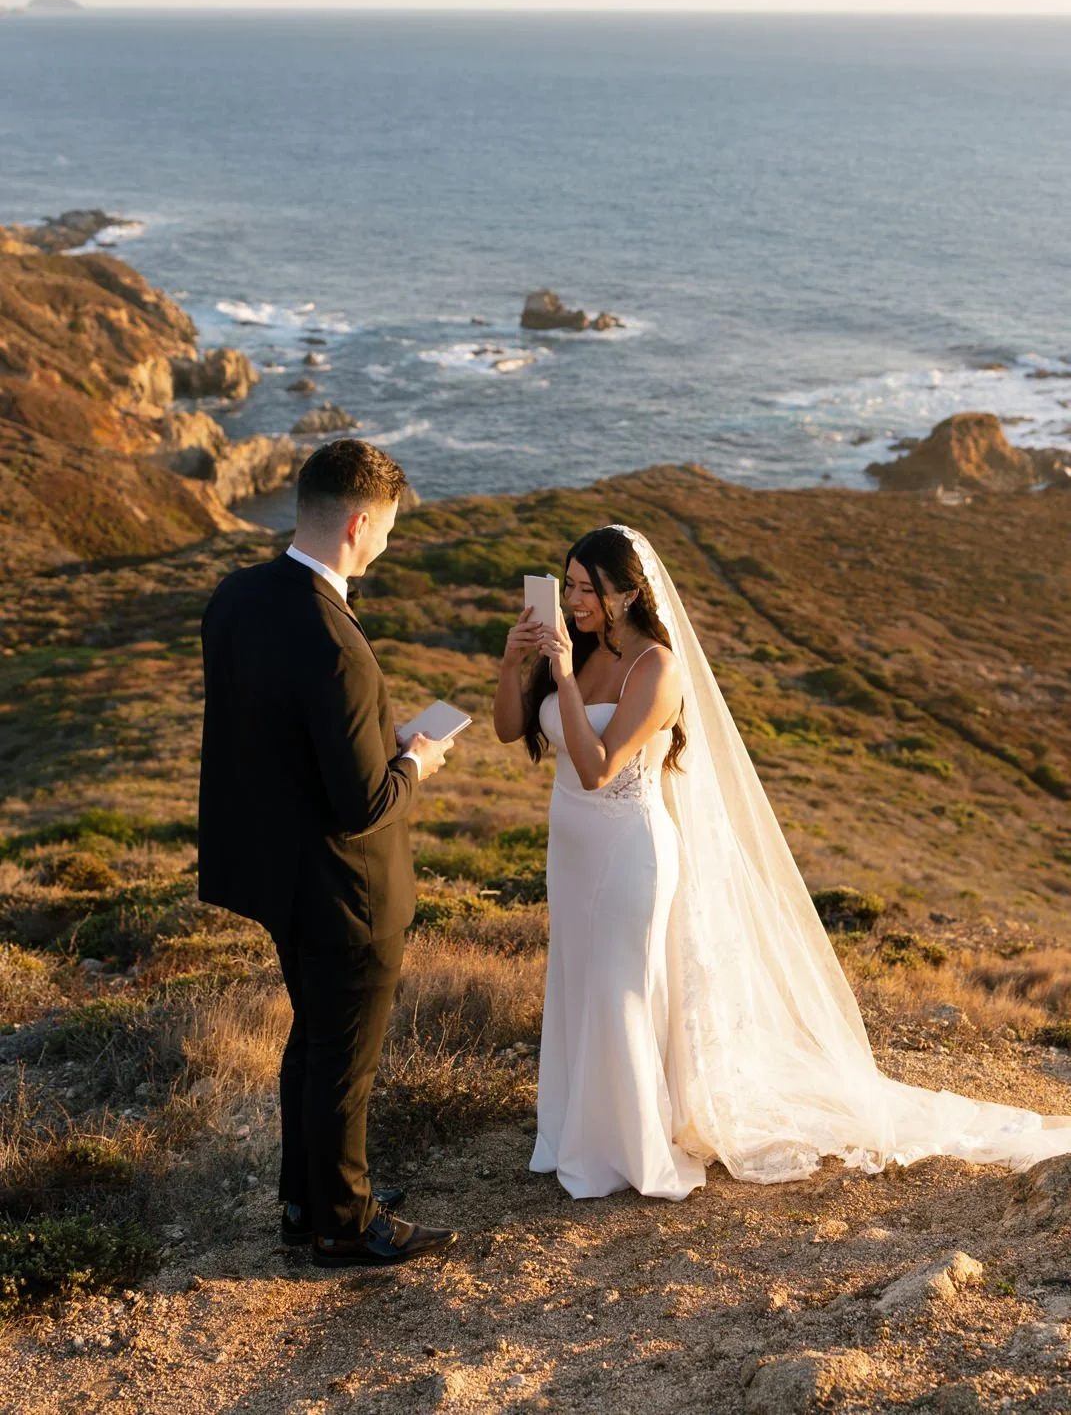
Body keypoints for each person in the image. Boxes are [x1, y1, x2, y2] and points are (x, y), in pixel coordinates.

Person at [494, 523, 1071, 1200]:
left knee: (622, 988)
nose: (570, 599)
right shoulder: (578, 652)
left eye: (585, 588)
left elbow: (596, 769)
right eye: (567, 585)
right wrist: (516, 666)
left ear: (627, 594)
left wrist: (561, 674)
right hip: (570, 851)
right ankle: (574, 1131)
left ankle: (627, 1145)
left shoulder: (656, 667)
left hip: (627, 852)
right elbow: (512, 728)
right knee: (579, 981)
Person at [199, 439, 459, 1267]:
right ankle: (345, 1227)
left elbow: (270, 735)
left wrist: (371, 736)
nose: (385, 543)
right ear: (356, 525)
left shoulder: (237, 597)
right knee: (342, 1063)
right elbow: (366, 805)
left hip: (278, 876)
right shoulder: (336, 641)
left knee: (311, 1043)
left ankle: (302, 1203)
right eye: (384, 529)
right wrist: (416, 758)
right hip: (346, 892)